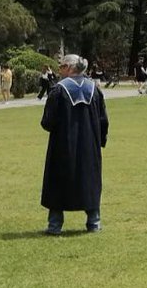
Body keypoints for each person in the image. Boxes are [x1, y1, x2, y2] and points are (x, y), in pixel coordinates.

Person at [40, 54, 109, 234]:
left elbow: (48, 122)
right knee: (90, 181)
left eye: (62, 66)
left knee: (58, 182)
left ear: (70, 68)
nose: (59, 70)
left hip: (63, 147)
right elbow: (103, 120)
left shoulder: (59, 91)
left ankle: (55, 225)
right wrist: (99, 141)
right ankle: (94, 222)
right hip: (89, 147)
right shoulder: (94, 89)